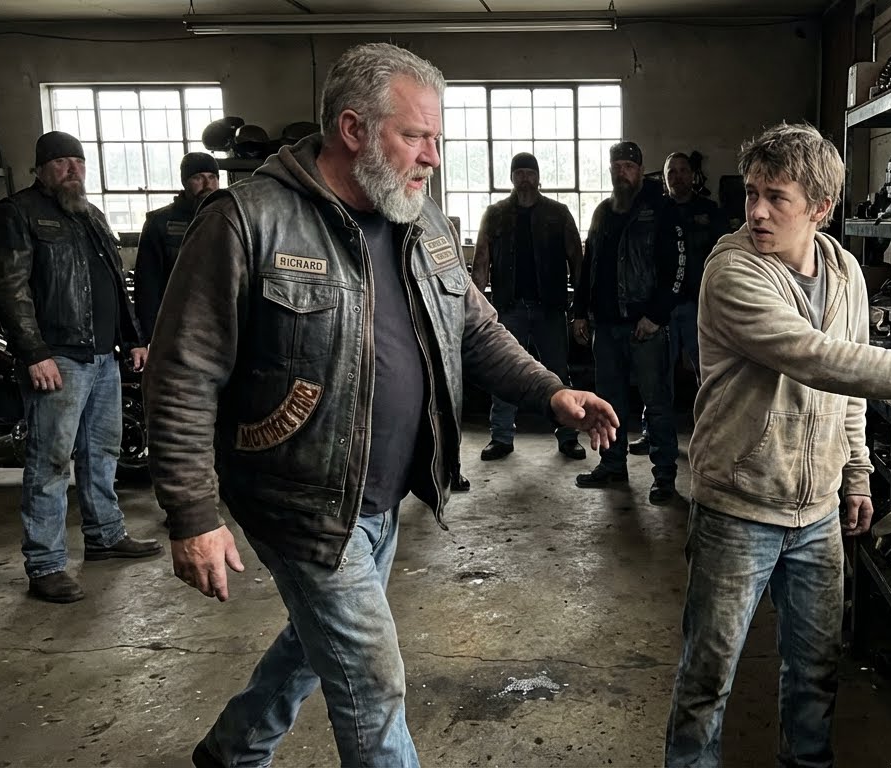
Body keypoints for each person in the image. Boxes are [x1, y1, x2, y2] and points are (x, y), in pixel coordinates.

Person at [143, 43, 618, 768]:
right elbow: (182, 372)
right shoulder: (247, 222)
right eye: (415, 136)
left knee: (318, 641)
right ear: (353, 129)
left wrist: (550, 391)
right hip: (300, 499)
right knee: (372, 680)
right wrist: (192, 514)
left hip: (383, 494)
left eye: (437, 138)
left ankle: (232, 750)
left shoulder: (421, 219)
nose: (432, 156)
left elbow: (475, 329)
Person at [664, 123, 891, 767]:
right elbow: (822, 360)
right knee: (707, 681)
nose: (756, 211)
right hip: (739, 506)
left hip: (816, 516)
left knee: (815, 673)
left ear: (819, 207)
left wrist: (858, 473)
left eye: (775, 197)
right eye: (751, 193)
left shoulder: (844, 272)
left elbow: (850, 391)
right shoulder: (731, 273)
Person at [0, 130, 162, 604]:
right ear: (40, 169)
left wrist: (133, 338)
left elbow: (115, 281)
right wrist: (34, 353)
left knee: (102, 451)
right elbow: (10, 289)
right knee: (50, 461)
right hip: (57, 357)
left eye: (78, 162)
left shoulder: (90, 215)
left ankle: (105, 535)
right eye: (61, 162)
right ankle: (45, 564)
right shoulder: (17, 213)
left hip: (103, 355)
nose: (72, 170)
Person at [572, 141, 685, 504]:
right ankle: (612, 465)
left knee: (657, 404)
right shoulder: (603, 212)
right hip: (605, 328)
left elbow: (677, 269)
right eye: (616, 166)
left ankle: (664, 476)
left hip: (644, 328)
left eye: (629, 166)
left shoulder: (661, 210)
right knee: (608, 404)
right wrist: (579, 311)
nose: (622, 172)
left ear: (639, 170)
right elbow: (588, 266)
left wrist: (656, 316)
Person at [471, 151, 586, 462]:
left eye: (529, 173)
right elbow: (481, 262)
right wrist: (474, 310)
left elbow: (577, 262)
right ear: (511, 178)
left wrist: (581, 309)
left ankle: (568, 436)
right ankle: (501, 436)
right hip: (509, 309)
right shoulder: (495, 214)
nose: (525, 178)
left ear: (538, 177)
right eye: (519, 173)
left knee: (558, 372)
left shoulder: (558, 214)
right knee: (504, 372)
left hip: (550, 309)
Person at [629, 151, 729, 456]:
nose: (678, 177)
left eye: (684, 170)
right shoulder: (654, 212)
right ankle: (653, 433)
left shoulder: (710, 211)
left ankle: (713, 436)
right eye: (671, 172)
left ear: (693, 175)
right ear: (664, 178)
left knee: (708, 372)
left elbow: (726, 256)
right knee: (657, 374)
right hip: (662, 308)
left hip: (701, 305)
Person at [133, 152, 220, 341]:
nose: (207, 184)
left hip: (220, 327)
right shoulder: (159, 223)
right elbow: (147, 286)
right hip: (176, 329)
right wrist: (149, 339)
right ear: (184, 182)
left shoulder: (229, 219)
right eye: (198, 177)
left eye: (213, 177)